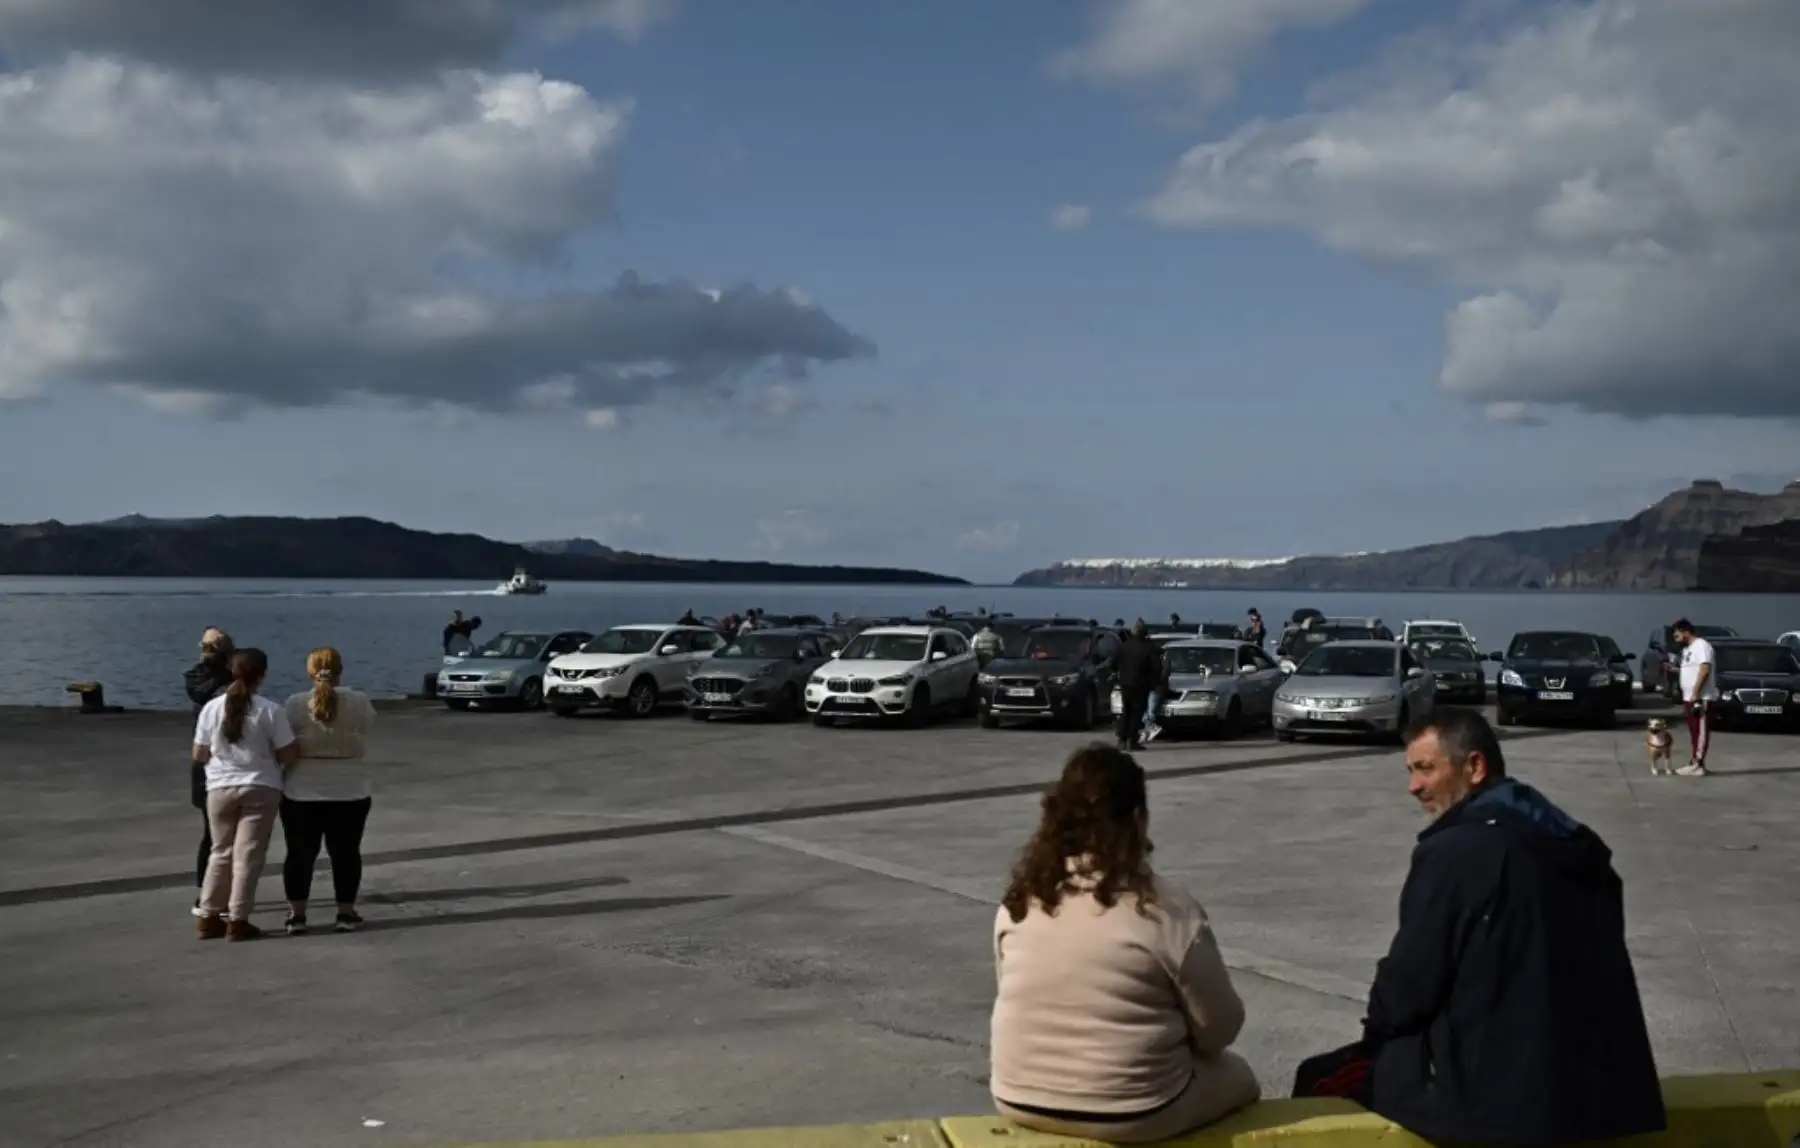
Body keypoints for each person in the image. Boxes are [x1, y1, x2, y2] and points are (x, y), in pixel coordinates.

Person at [1294, 709, 1665, 1145]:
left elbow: (1409, 986)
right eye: (1411, 771)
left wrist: (1378, 1035)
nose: (1414, 786)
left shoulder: (1456, 852)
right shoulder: (1572, 844)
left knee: (1319, 1077)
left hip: (1497, 1101)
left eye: (1425, 769)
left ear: (1474, 766)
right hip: (1600, 1091)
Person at [990, 745, 1260, 1143]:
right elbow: (1220, 1029)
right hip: (1135, 1110)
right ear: (1137, 819)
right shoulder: (1166, 910)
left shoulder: (1019, 901)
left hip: (1017, 1097)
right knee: (1240, 1077)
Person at [192, 648, 300, 942]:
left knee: (220, 851)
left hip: (219, 787)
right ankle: (237, 920)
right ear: (262, 676)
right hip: (260, 786)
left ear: (231, 672)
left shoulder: (212, 708)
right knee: (247, 856)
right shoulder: (270, 710)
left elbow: (199, 753)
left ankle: (208, 915)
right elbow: (288, 754)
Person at [280, 647, 378, 935]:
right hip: (350, 787)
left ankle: (297, 915)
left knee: (299, 854)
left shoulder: (295, 703)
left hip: (302, 789)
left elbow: (285, 739)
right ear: (340, 670)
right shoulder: (359, 701)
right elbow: (367, 728)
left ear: (310, 672)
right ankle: (345, 912)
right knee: (346, 853)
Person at [183, 627, 236, 916]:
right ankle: (208, 892)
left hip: (226, 764)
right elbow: (201, 692)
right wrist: (224, 661)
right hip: (210, 767)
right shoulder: (198, 677)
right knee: (214, 835)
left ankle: (225, 892)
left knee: (228, 837)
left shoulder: (232, 676)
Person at [1672, 619, 1716, 776]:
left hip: (1700, 697)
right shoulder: (1687, 650)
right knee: (1694, 732)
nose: (1675, 639)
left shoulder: (1702, 646)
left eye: (1676, 635)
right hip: (1689, 697)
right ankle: (1694, 761)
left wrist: (1696, 693)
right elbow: (1690, 670)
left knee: (1700, 732)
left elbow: (1705, 670)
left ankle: (1698, 764)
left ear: (1685, 631)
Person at [1114, 622, 1161, 752]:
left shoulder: (1125, 646)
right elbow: (1157, 667)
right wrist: (1154, 680)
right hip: (1141, 684)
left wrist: (1119, 674)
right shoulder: (1149, 647)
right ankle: (1132, 740)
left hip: (1125, 683)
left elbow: (1114, 661)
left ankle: (1122, 739)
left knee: (1126, 711)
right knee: (1136, 712)